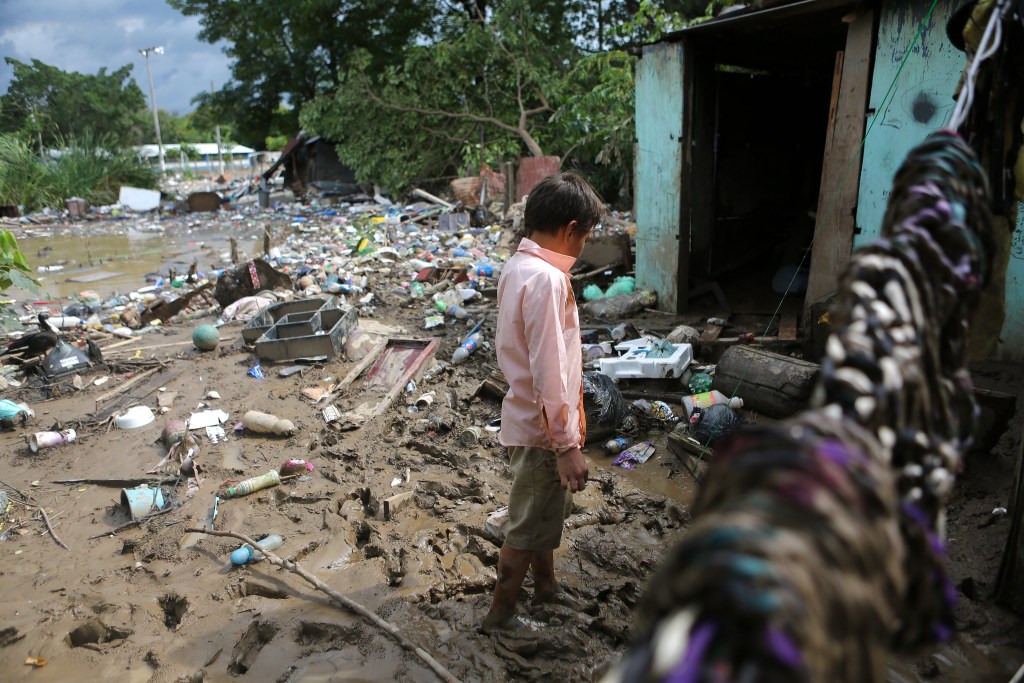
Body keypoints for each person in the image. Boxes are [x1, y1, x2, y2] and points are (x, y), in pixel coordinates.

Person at [482, 172, 604, 632]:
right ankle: (502, 614)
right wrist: (567, 446)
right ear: (570, 230)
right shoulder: (548, 280)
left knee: (541, 517)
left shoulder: (518, 267)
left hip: (526, 420)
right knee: (527, 525)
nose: (584, 247)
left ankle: (546, 588)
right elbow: (550, 372)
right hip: (542, 431)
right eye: (586, 237)